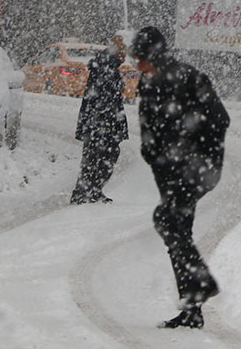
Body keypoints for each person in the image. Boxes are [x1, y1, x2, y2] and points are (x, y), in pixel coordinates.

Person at [130, 26, 230, 330]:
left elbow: (220, 119)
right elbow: (151, 127)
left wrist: (189, 151)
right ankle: (192, 307)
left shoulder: (187, 78)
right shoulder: (150, 83)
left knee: (168, 220)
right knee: (177, 229)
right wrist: (153, 153)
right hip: (169, 172)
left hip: (194, 168)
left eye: (141, 59)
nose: (137, 66)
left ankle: (201, 284)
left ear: (153, 56)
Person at [70, 31, 130, 204]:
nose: (125, 59)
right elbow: (106, 96)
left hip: (97, 120)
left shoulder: (105, 64)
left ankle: (88, 191)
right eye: (124, 54)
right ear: (119, 53)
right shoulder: (107, 66)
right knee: (101, 156)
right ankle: (87, 191)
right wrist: (110, 121)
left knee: (95, 156)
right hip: (102, 121)